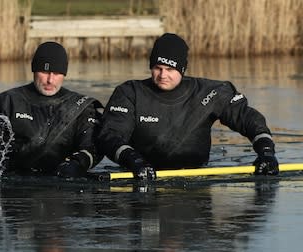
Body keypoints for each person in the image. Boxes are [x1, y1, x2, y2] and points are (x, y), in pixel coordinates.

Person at [97, 33, 279, 180]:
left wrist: (267, 153)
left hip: (195, 178)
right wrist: (133, 160)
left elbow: (248, 120)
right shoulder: (130, 93)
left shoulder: (210, 93)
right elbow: (110, 135)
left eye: (170, 70)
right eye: (157, 68)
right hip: (140, 174)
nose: (162, 75)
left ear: (183, 69)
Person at [0, 41, 103, 178]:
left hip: (61, 184)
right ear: (34, 70)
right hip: (13, 186)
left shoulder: (81, 107)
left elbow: (92, 148)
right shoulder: (7, 102)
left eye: (56, 73)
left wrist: (78, 164)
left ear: (64, 74)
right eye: (44, 71)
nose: (50, 80)